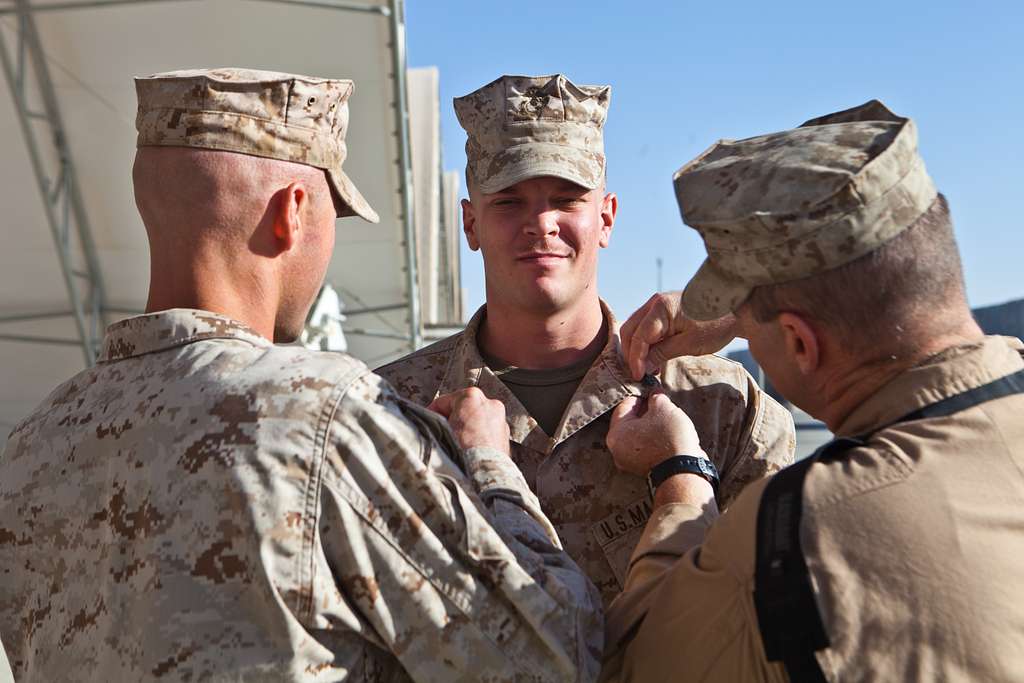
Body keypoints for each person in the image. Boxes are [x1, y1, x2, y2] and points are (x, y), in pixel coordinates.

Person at [0, 68, 602, 682]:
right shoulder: (323, 412)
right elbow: (551, 657)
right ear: (291, 212)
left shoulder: (32, 446)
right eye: (332, 215)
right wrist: (490, 466)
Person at [601, 100, 1024, 681]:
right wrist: (753, 312)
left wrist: (680, 477)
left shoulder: (798, 532)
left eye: (747, 320)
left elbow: (639, 662)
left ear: (801, 345)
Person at [377, 74, 795, 605]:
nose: (541, 223)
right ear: (470, 223)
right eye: (508, 202)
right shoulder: (394, 410)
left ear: (606, 218)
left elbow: (766, 621)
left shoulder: (720, 405)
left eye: (567, 199)